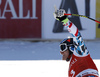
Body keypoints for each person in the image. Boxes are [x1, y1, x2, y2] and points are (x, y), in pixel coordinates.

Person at [53, 9, 99, 77]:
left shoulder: (80, 53)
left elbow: (76, 34)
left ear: (71, 47)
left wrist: (64, 20)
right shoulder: (71, 68)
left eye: (63, 47)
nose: (61, 52)